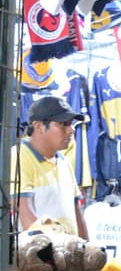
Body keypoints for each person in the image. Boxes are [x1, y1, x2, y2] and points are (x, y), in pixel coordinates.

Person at [15, 96, 89, 237]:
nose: (71, 130)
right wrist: (49, 252)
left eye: (71, 124)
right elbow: (23, 211)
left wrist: (86, 250)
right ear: (39, 126)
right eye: (63, 124)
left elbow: (76, 211)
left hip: (68, 255)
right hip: (41, 255)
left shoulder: (63, 161)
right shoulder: (20, 155)